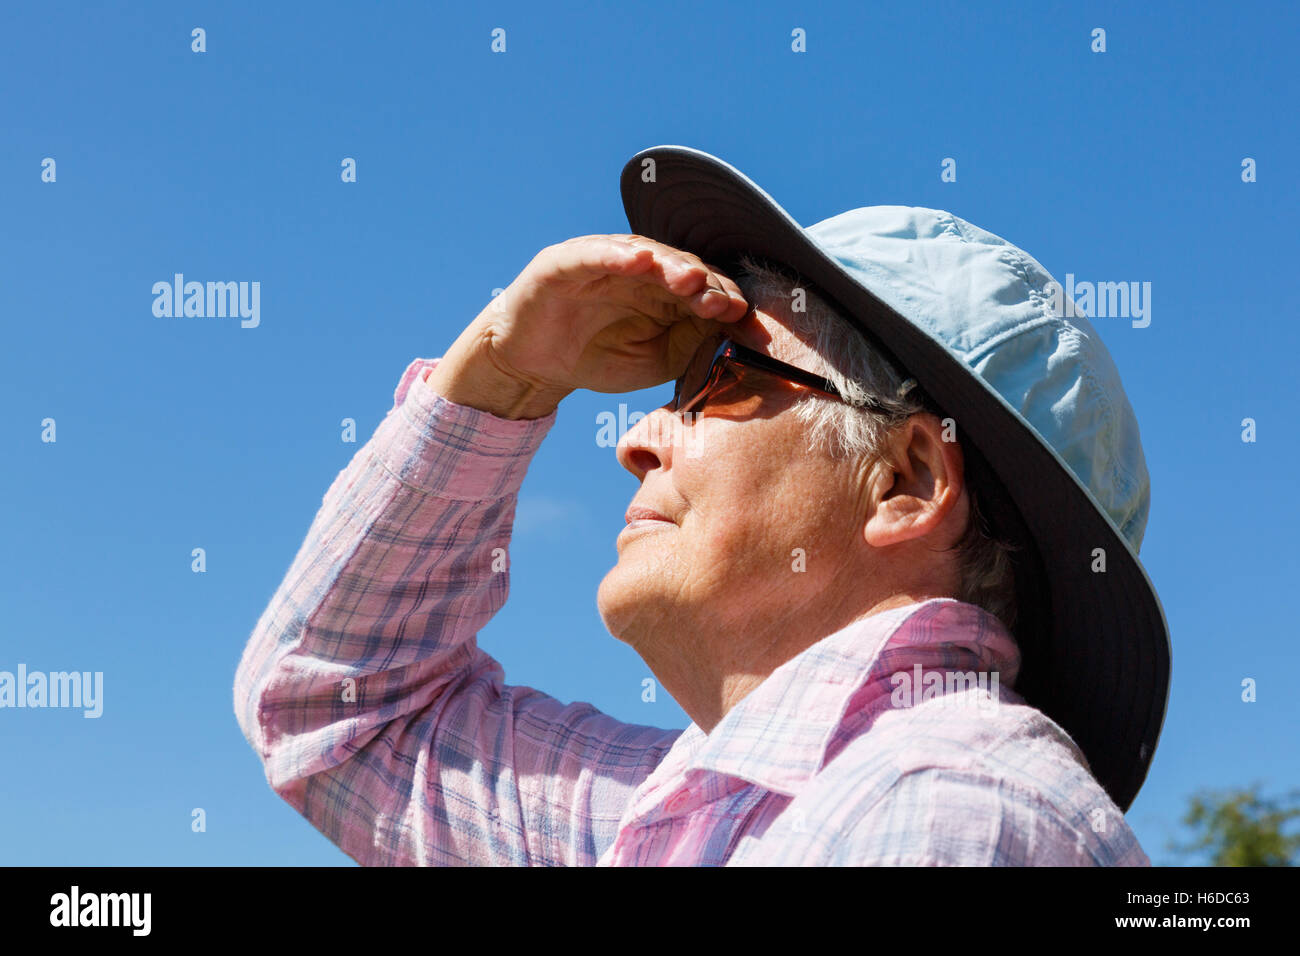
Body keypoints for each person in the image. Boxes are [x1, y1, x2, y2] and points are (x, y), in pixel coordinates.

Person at [234, 146, 1170, 866]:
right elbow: (339, 710)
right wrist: (504, 376)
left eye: (718, 382)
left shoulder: (943, 813)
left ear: (906, 481)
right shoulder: (683, 810)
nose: (637, 438)